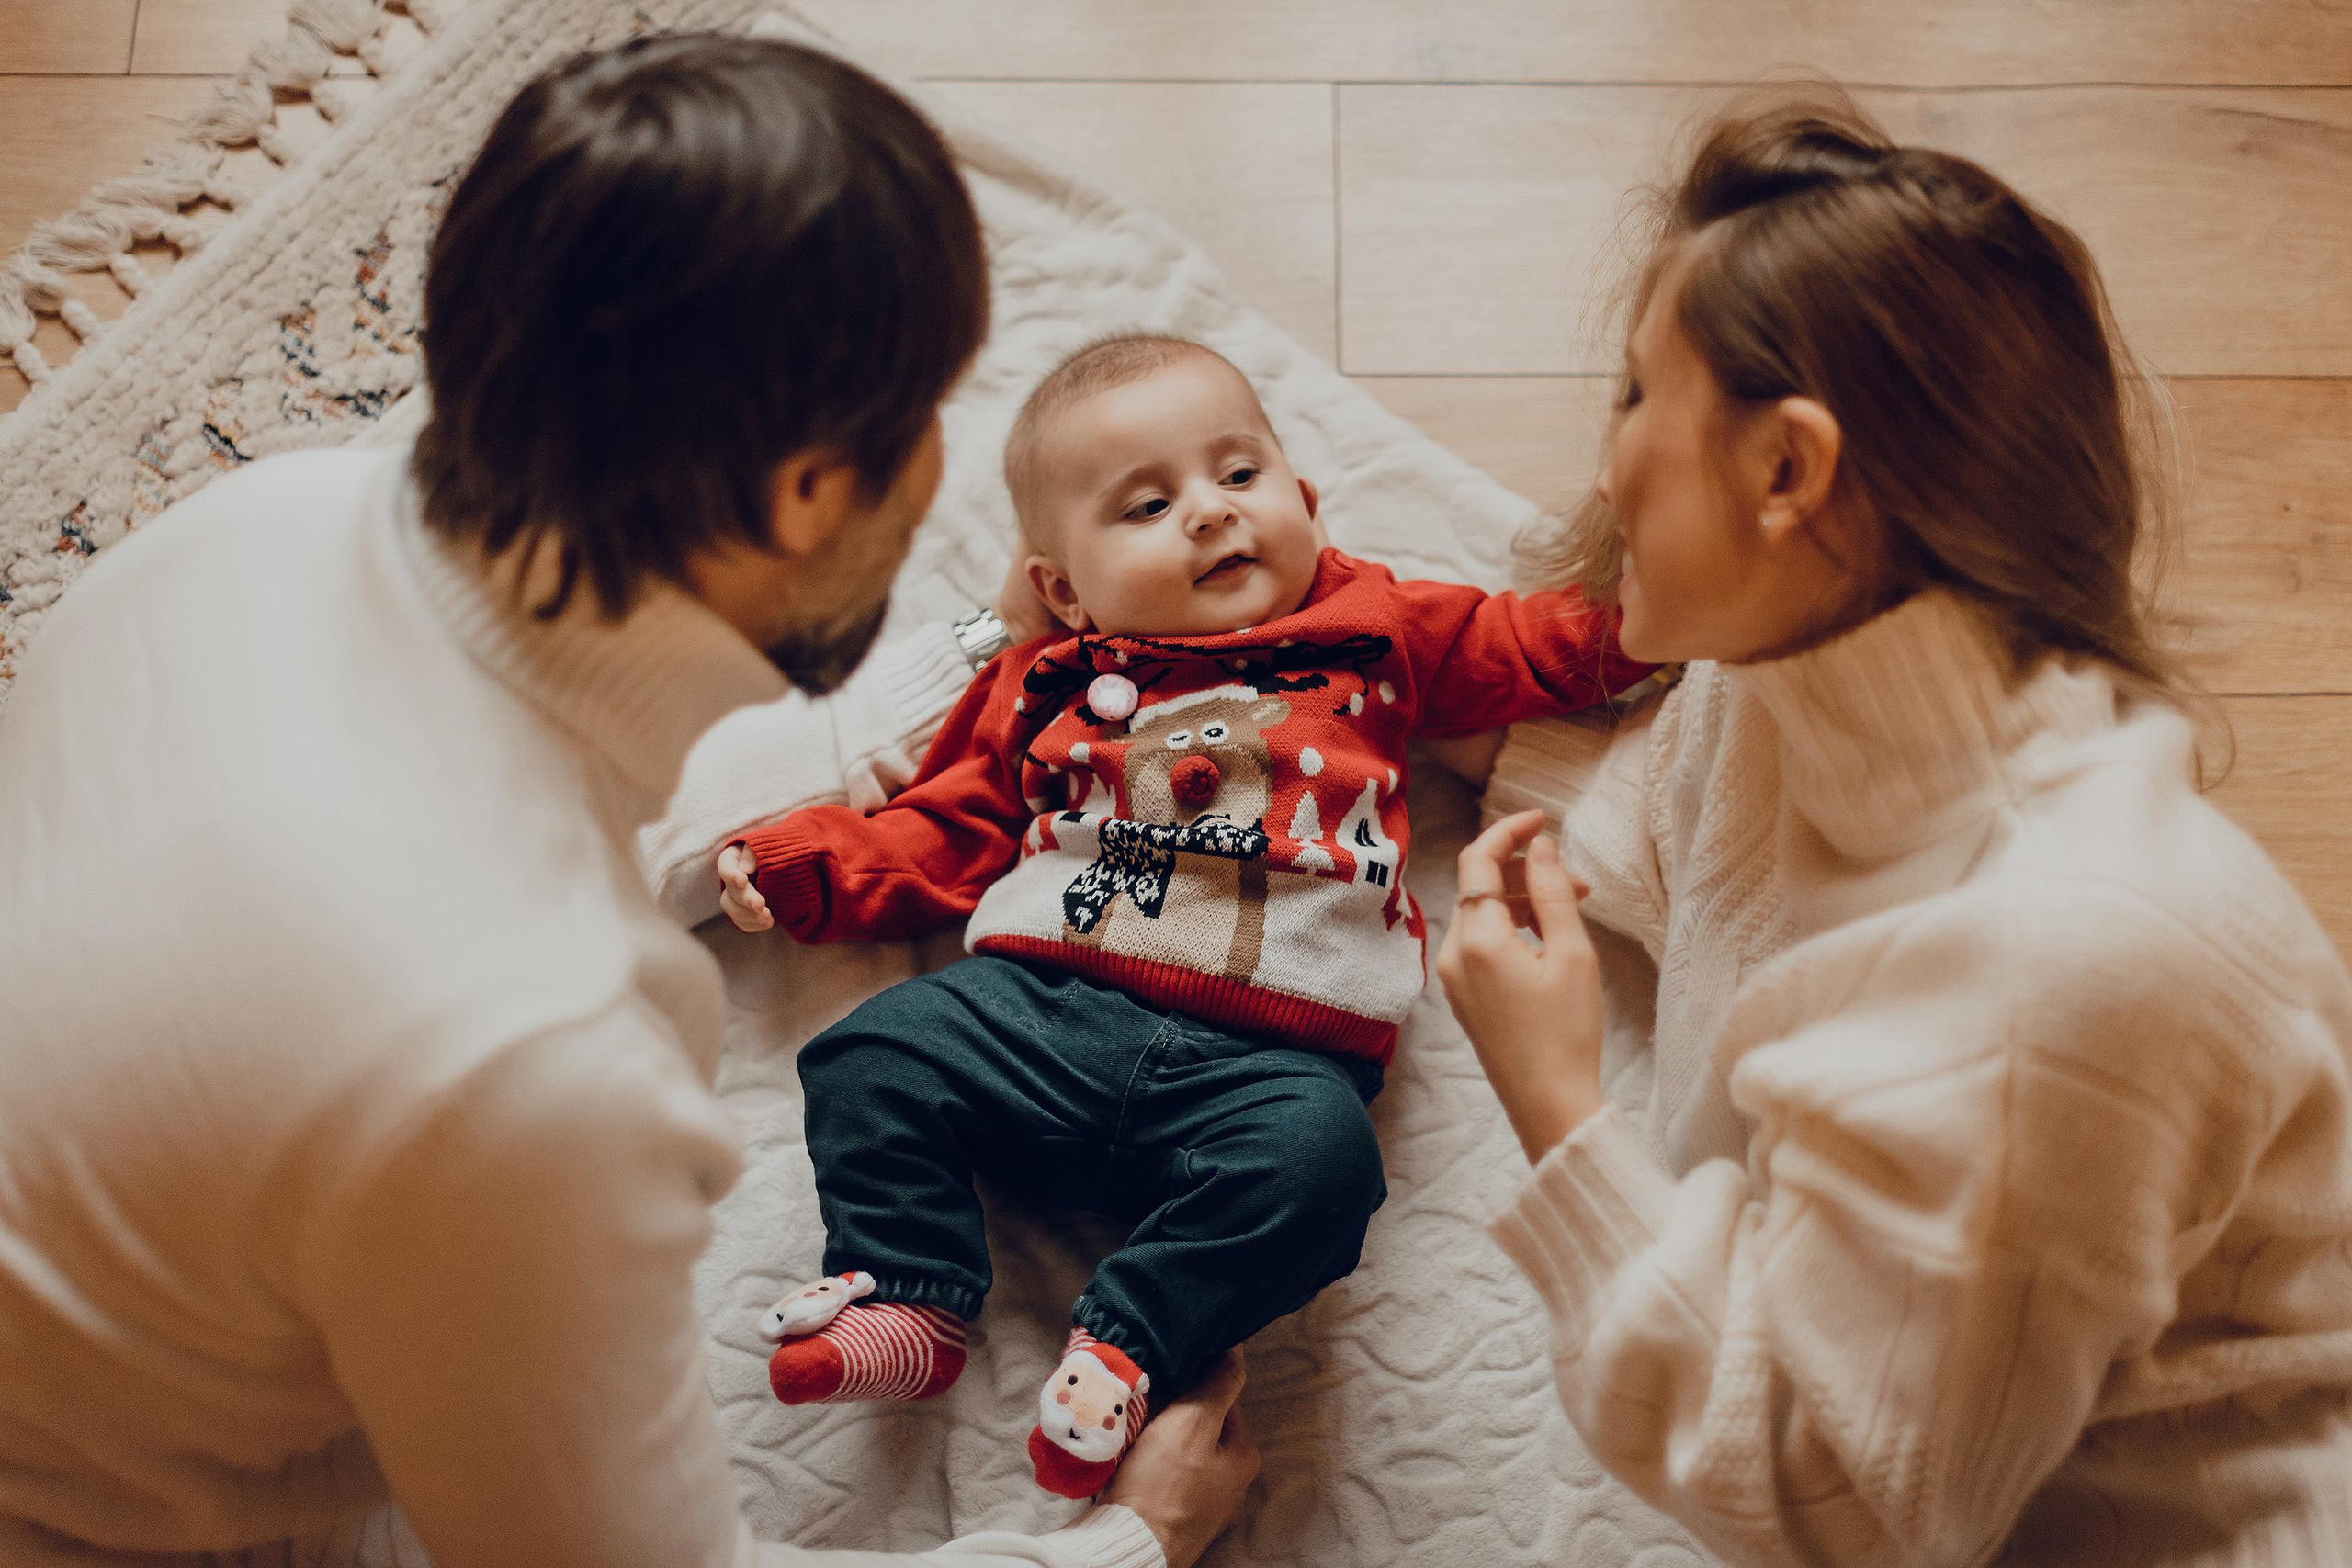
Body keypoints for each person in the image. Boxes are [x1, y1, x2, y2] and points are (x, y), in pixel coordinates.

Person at [0, 35, 1254, 1568]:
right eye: (930, 412)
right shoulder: (531, 1066)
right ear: (809, 493)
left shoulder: (249, 525)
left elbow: (611, 769)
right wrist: (1128, 1544)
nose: (946, 459)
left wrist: (984, 644)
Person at [1435, 96, 2352, 1564]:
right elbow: (1696, 843)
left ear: (1787, 472)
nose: (1606, 470)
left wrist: (1559, 1109)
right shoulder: (1787, 675)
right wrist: (1440, 729)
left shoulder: (2059, 971)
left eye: (1635, 395)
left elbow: (1838, 1500)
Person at [710, 334, 1651, 1500]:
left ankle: (1127, 1348)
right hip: (1042, 1014)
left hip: (1273, 1067)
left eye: (1241, 475)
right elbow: (947, 824)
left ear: (1306, 500)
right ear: (1062, 589)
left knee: (1325, 1169)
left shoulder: (1375, 627)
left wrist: (1644, 608)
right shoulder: (1045, 680)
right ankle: (910, 1295)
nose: (1210, 512)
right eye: (1148, 506)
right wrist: (807, 863)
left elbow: (1527, 644)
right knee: (869, 1055)